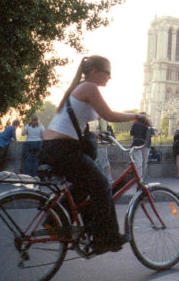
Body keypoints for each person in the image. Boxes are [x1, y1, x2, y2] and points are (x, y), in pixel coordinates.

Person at [41, 55, 141, 255]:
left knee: (84, 187)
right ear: (95, 72)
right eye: (107, 73)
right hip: (63, 149)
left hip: (55, 147)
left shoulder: (78, 88)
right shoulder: (89, 87)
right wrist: (137, 116)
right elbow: (110, 115)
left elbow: (73, 121)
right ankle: (106, 239)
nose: (110, 77)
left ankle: (54, 221)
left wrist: (93, 133)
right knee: (103, 185)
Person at [94, 117, 113, 182]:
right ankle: (106, 179)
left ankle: (109, 180)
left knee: (104, 163)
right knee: (99, 163)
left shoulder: (102, 119)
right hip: (96, 145)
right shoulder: (95, 120)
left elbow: (104, 131)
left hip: (101, 145)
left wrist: (94, 132)